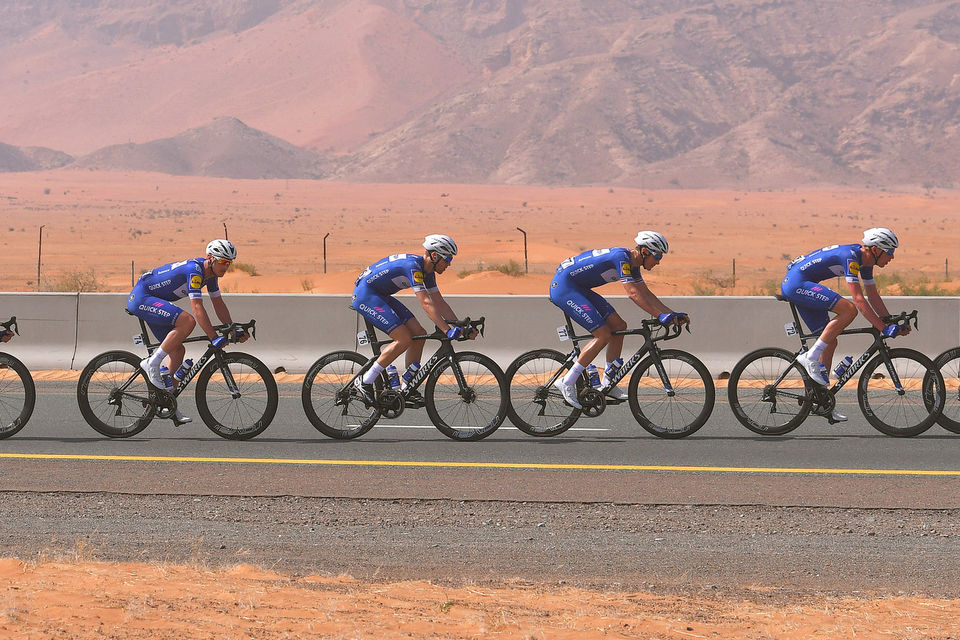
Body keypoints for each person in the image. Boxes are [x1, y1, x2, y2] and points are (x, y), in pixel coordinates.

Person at [549, 231, 688, 409]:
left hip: (578, 287)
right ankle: (567, 382)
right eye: (657, 256)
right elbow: (633, 293)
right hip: (564, 287)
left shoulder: (633, 264)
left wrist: (672, 314)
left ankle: (608, 382)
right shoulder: (621, 258)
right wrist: (661, 316)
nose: (659, 261)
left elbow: (646, 294)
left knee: (619, 326)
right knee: (602, 335)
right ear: (645, 252)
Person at [780, 227, 905, 421]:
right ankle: (810, 357)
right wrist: (882, 328)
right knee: (849, 309)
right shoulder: (851, 257)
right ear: (877, 249)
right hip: (796, 284)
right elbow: (859, 299)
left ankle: (822, 400)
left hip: (804, 284)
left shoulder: (866, 262)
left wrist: (889, 321)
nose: (892, 257)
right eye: (890, 252)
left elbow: (872, 295)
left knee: (830, 341)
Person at [127, 239, 249, 423]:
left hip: (153, 299)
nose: (226, 267)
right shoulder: (195, 271)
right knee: (187, 322)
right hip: (142, 297)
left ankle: (166, 400)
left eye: (229, 263)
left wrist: (232, 328)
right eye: (223, 262)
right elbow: (197, 307)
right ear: (211, 258)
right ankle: (152, 363)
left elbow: (218, 303)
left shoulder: (212, 276)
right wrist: (213, 337)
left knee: (178, 351)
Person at [351, 234, 475, 403]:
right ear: (434, 256)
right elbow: (426, 302)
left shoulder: (428, 272)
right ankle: (365, 381)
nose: (449, 263)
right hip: (366, 296)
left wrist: (459, 325)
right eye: (447, 259)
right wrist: (447, 329)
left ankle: (407, 388)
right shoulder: (413, 267)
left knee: (419, 333)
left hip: (380, 295)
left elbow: (439, 302)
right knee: (403, 339)